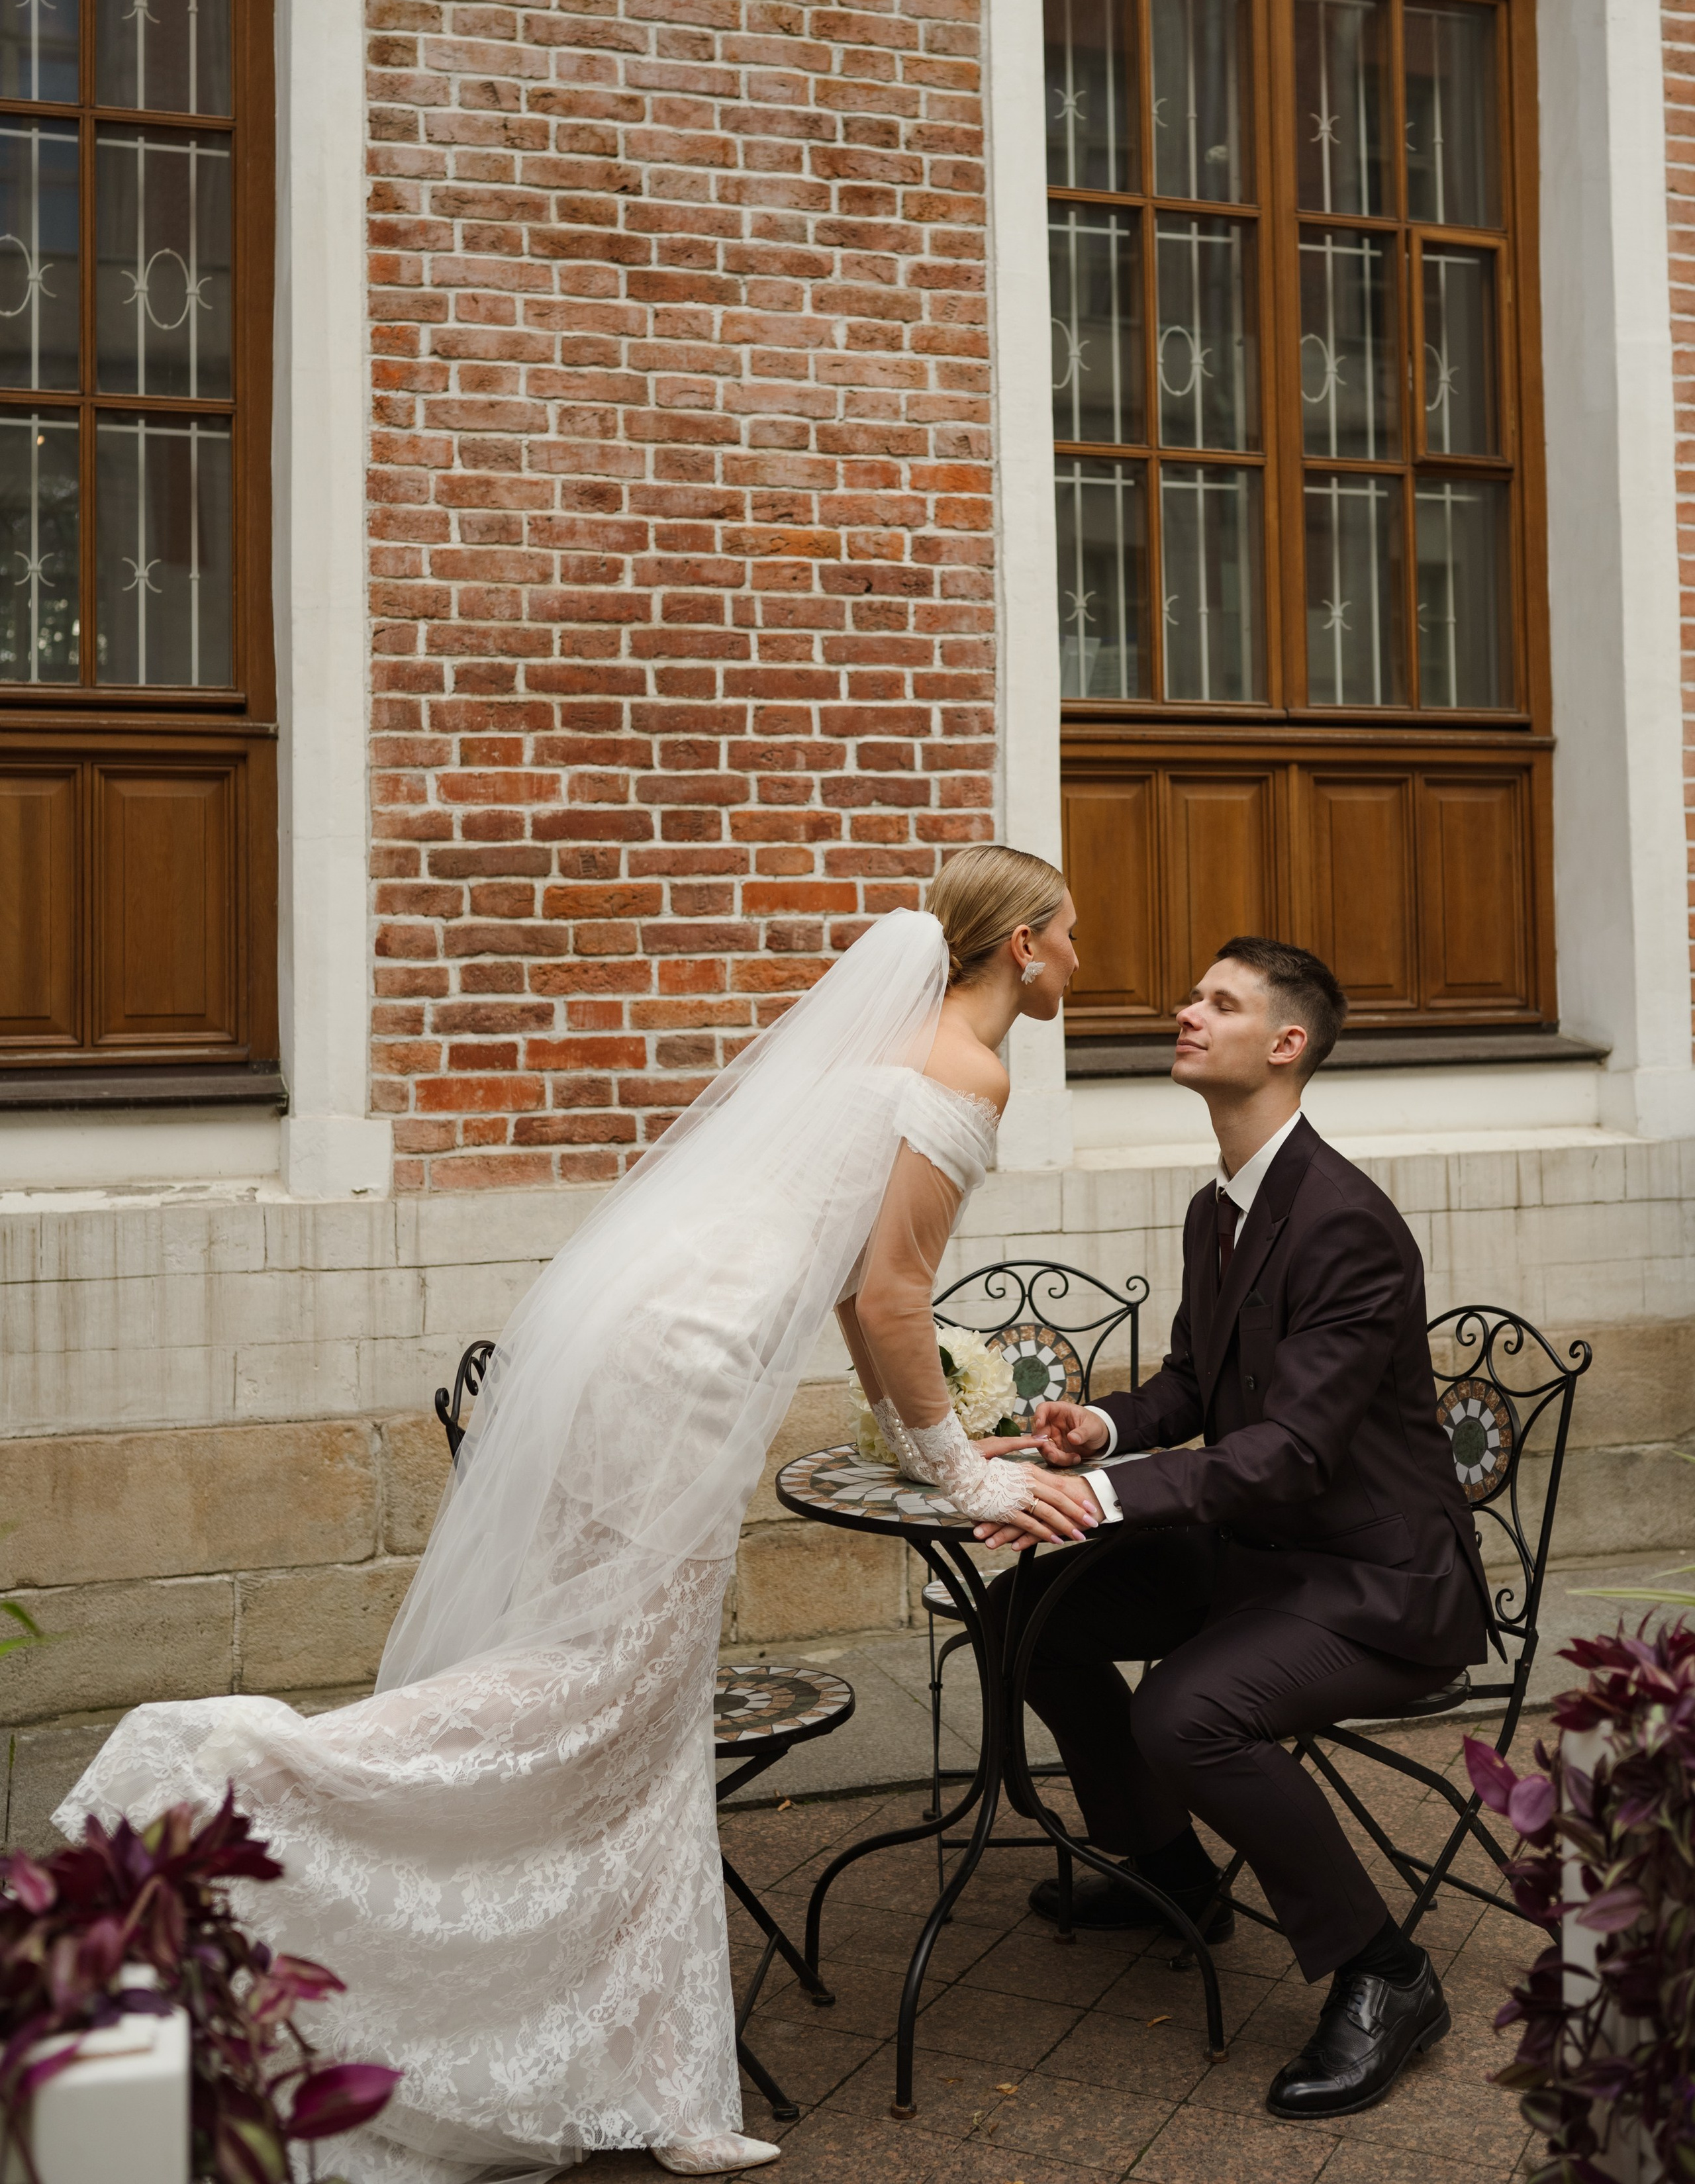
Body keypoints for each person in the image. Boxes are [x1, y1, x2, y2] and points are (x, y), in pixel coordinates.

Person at [55, 846, 1096, 2184]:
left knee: (641, 1708)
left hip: (643, 1343)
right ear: (1018, 943)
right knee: (604, 1684)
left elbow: (855, 1292)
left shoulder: (890, 1047)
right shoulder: (970, 1065)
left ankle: (652, 2079)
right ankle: (217, 1774)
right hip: (686, 1373)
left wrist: (923, 1432)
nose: (1079, 956)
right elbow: (893, 1295)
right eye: (1069, 933)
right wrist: (963, 1477)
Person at [981, 937, 1492, 2122]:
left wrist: (1101, 1504)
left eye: (1220, 1001)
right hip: (1259, 1558)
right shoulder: (1219, 1205)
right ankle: (1172, 1875)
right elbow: (1192, 1388)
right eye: (1192, 995)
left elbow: (1293, 1451)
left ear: (1286, 1044)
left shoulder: (1345, 1224)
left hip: (1377, 1583)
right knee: (1029, 1618)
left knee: (1185, 1710)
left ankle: (1386, 1970)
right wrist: (1097, 1432)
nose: (1184, 1011)